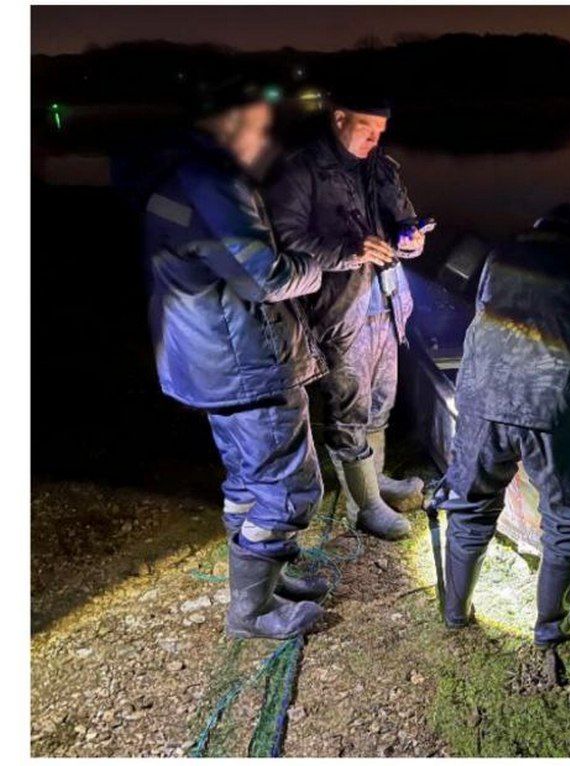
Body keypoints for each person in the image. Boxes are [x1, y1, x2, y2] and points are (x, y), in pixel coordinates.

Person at [142, 78, 372, 639]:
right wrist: (318, 268)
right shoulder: (215, 184)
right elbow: (264, 276)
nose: (264, 139)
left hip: (203, 358)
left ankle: (268, 582)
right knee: (290, 487)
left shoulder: (173, 176)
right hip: (244, 362)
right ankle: (252, 612)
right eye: (255, 126)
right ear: (223, 125)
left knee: (248, 480)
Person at [436, 205, 570, 647]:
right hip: (553, 407)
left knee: (470, 503)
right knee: (567, 516)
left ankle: (455, 613)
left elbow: (486, 317)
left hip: (478, 395)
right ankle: (552, 624)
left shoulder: (503, 252)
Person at [266, 89, 428, 541]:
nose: (376, 139)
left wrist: (412, 238)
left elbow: (405, 221)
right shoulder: (300, 171)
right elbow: (286, 240)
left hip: (389, 303)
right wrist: (349, 253)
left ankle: (376, 481)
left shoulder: (383, 168)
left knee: (381, 401)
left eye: (381, 131)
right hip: (340, 312)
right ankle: (365, 504)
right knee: (348, 408)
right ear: (338, 118)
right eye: (367, 128)